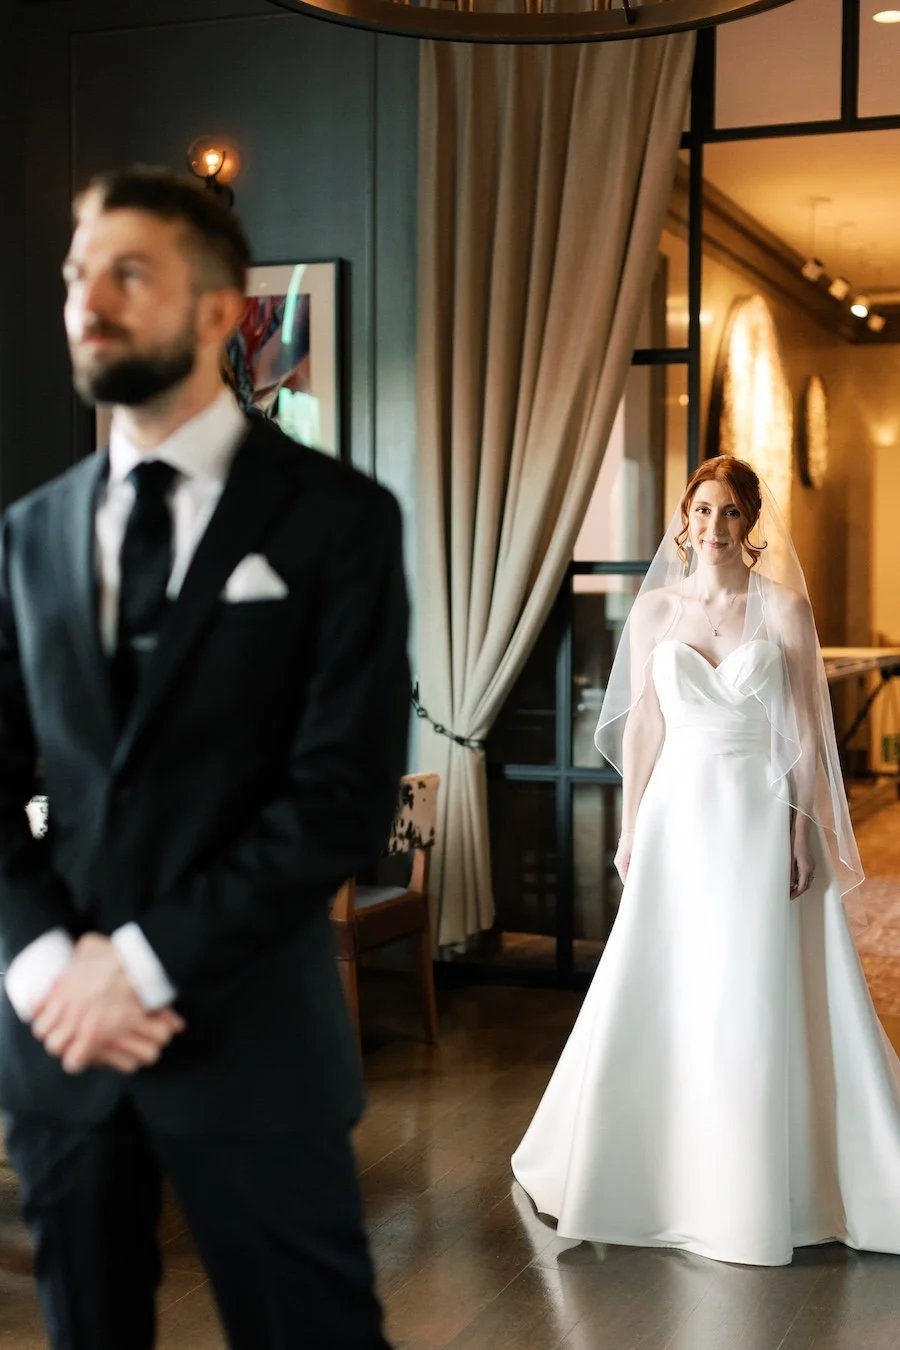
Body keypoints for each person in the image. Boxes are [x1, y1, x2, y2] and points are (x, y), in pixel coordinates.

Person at [0, 167, 410, 1347]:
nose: (89, 301)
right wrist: (45, 974)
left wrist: (140, 963)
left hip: (254, 1049)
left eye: (130, 274)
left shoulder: (338, 520)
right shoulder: (27, 535)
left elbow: (338, 798)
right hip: (62, 1055)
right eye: (79, 275)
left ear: (223, 310)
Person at [512, 456, 900, 1267]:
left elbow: (801, 728)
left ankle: (761, 1180)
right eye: (702, 510)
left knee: (751, 985)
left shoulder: (785, 609)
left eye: (729, 513)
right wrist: (629, 827)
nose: (714, 527)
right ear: (683, 519)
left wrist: (802, 831)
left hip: (758, 814)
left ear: (749, 523)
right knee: (669, 977)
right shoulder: (655, 610)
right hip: (679, 817)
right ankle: (652, 1168)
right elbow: (646, 728)